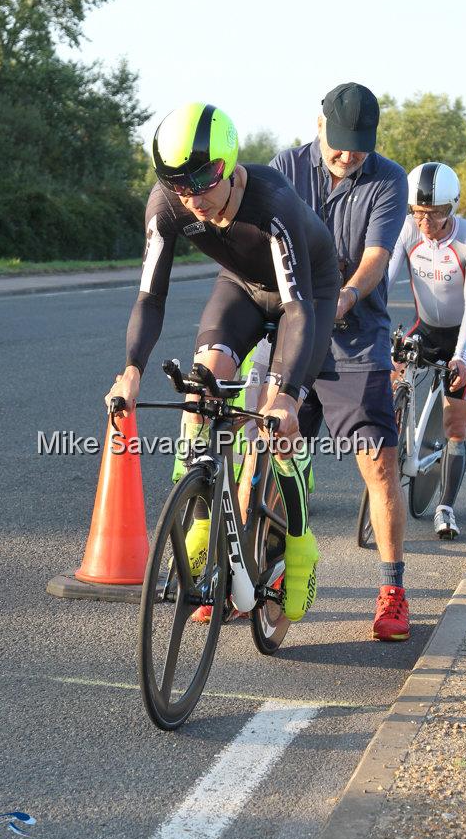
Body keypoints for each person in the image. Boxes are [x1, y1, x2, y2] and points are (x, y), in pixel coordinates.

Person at [105, 102, 340, 621]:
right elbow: (150, 298)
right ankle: (204, 519)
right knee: (200, 390)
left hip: (308, 297)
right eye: (179, 186)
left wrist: (284, 397)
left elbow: (298, 307)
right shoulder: (169, 205)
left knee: (280, 428)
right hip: (242, 289)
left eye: (203, 183)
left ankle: (300, 547)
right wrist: (131, 370)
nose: (193, 199)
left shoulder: (271, 201)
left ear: (230, 165)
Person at [271, 83, 410, 642]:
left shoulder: (388, 178)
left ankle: (393, 589)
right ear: (319, 125)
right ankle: (254, 577)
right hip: (292, 331)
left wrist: (345, 299)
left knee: (378, 463)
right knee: (267, 453)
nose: (348, 154)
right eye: (340, 143)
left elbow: (376, 256)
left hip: (355, 337)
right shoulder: (286, 166)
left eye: (359, 145)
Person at [388, 162, 466, 539]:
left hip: (465, 337)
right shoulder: (408, 230)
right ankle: (393, 445)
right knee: (389, 375)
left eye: (436, 214)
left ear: (453, 209)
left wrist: (461, 354)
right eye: (419, 212)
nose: (426, 222)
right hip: (425, 328)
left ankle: (445, 507)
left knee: (455, 426)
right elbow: (384, 278)